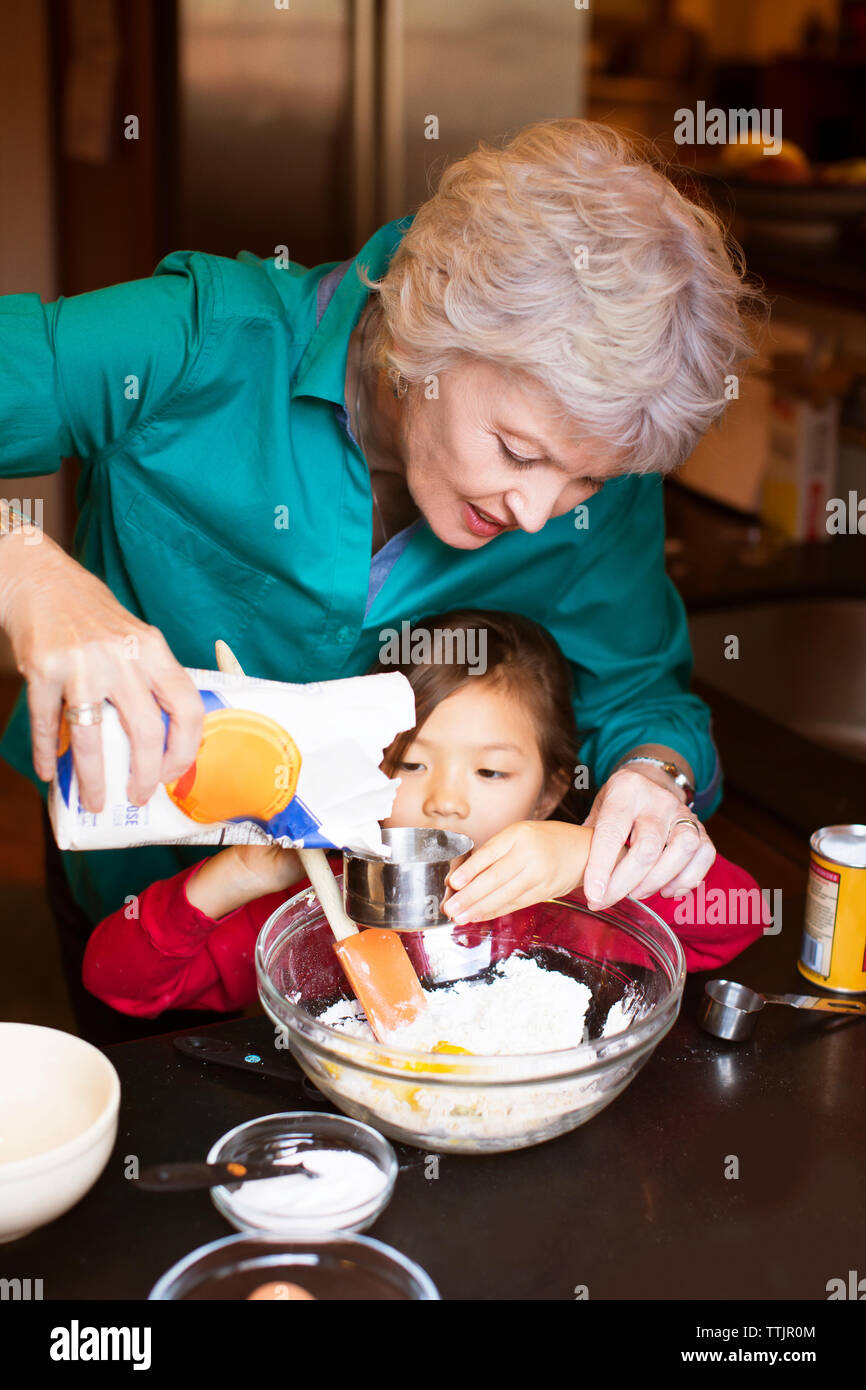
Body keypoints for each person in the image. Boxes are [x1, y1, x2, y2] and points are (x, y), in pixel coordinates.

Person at [0, 118, 761, 1038]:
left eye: (589, 477)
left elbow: (641, 693)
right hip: (161, 935)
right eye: (516, 450)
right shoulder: (201, 341)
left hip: (416, 954)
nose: (537, 512)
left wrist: (651, 777)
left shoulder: (581, 490)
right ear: (420, 333)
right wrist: (27, 570)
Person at [82, 613, 766, 1018]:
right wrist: (235, 876)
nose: (445, 799)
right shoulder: (320, 903)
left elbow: (739, 916)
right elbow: (118, 982)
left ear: (551, 791)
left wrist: (588, 855)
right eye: (411, 763)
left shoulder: (586, 897)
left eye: (491, 771)